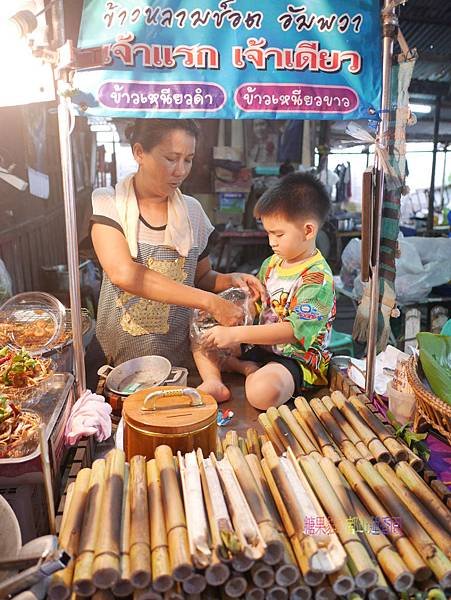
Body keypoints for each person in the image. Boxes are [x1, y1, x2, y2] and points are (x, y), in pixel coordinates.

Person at [91, 118, 263, 386]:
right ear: (139, 153)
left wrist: (230, 279)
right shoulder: (109, 202)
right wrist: (210, 302)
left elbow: (201, 276)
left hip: (180, 366)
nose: (180, 171)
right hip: (119, 365)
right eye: (171, 158)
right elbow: (124, 274)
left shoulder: (192, 211)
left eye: (188, 159)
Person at [194, 172, 336, 409]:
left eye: (279, 234)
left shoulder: (317, 278)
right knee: (201, 335)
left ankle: (244, 369)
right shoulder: (271, 264)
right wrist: (236, 314)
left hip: (294, 359)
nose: (272, 242)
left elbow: (292, 331)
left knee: (261, 393)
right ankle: (217, 379)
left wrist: (235, 336)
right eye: (268, 233)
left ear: (308, 231)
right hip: (259, 347)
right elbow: (258, 306)